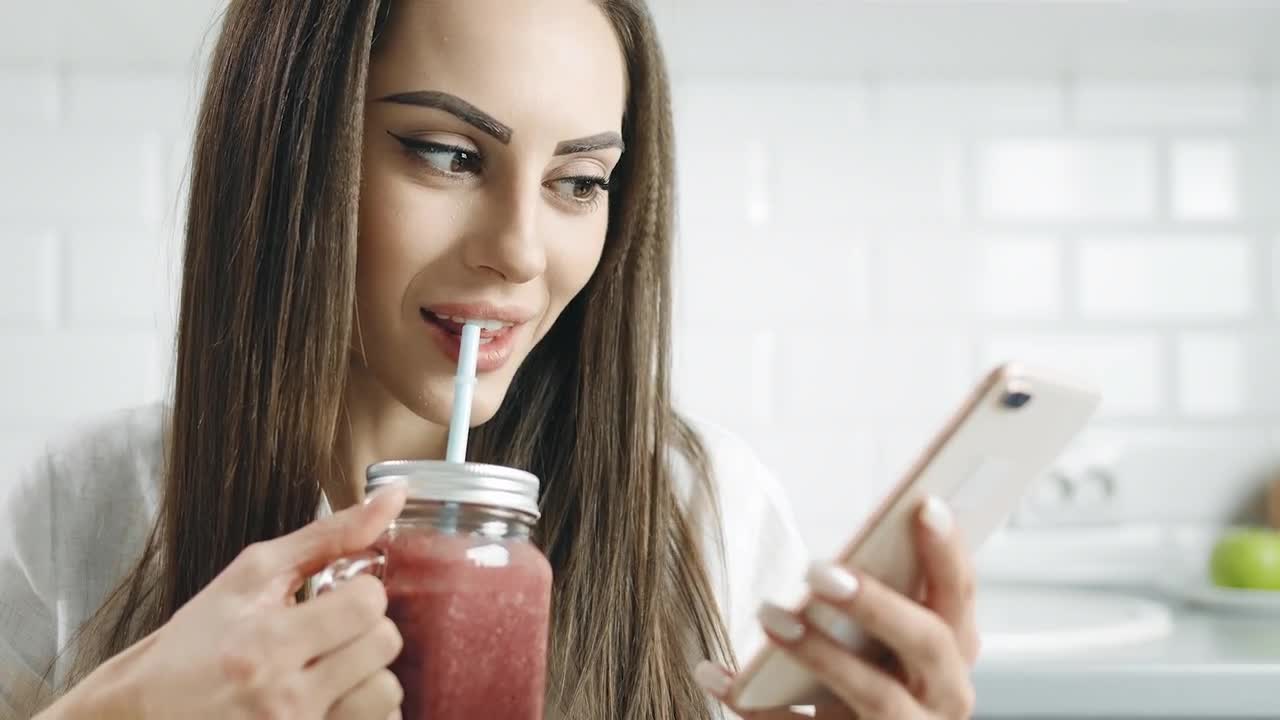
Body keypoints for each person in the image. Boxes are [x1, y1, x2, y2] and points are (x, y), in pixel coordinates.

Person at [0, 1, 980, 718]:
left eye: (578, 180)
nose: (518, 250)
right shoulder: (90, 506)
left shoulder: (695, 507)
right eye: (447, 155)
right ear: (290, 149)